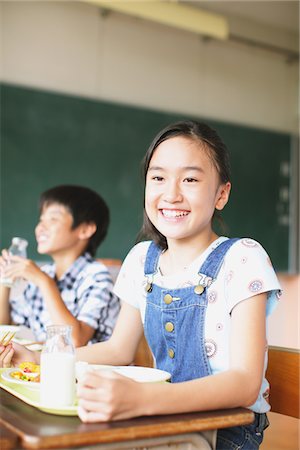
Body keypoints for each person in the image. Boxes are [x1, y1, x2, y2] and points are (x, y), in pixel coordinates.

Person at [0, 122, 281, 449]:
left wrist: (143, 399)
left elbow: (246, 384)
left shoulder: (242, 257)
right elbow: (118, 350)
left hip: (226, 430)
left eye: (190, 179)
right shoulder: (141, 260)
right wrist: (42, 361)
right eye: (158, 178)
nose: (172, 194)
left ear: (221, 194)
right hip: (159, 422)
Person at [0, 185, 120, 347]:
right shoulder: (45, 273)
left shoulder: (96, 276)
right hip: (50, 369)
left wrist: (45, 282)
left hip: (92, 370)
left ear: (85, 230)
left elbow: (75, 342)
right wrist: (4, 281)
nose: (40, 228)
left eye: (53, 219)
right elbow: (4, 327)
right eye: (41, 219)